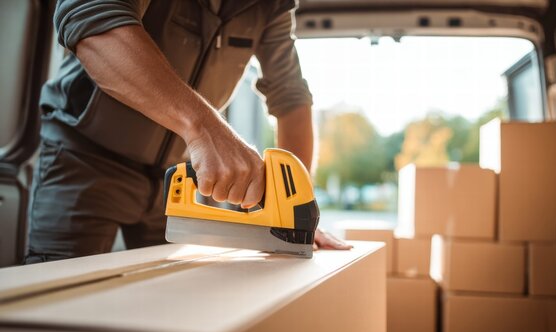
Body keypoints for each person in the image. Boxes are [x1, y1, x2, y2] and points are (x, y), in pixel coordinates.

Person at [26, 0, 350, 263]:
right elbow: (94, 19)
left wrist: (294, 211)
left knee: (175, 302)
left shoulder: (270, 5)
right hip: (84, 158)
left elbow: (290, 98)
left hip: (174, 176)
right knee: (57, 298)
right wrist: (205, 130)